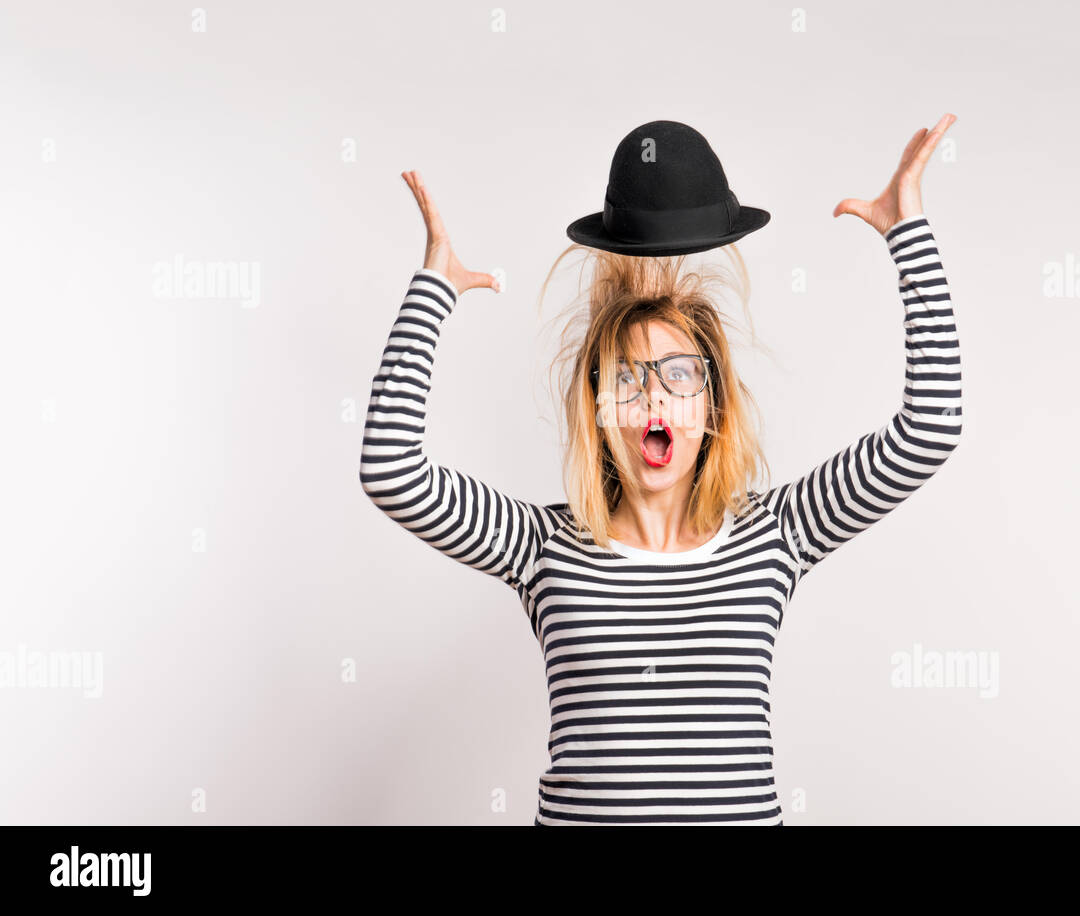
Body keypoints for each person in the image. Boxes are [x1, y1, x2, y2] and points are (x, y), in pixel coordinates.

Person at [359, 115, 962, 825]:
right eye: (627, 377)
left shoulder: (776, 534)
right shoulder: (542, 547)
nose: (654, 397)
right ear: (599, 410)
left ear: (711, 405)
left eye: (679, 375)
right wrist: (433, 291)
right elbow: (391, 469)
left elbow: (930, 429)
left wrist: (907, 236)